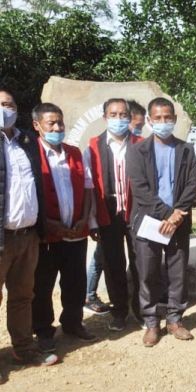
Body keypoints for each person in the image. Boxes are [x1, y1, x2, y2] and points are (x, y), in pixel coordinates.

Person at [127, 97, 196, 347]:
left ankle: (175, 320)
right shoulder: (136, 151)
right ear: (148, 120)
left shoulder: (187, 149)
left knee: (177, 273)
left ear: (174, 119)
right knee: (147, 274)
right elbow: (140, 189)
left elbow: (192, 183)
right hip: (149, 223)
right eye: (157, 118)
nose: (163, 122)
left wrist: (177, 213)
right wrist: (168, 213)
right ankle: (151, 323)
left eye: (168, 117)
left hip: (177, 223)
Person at [30, 102, 98, 354]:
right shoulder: (31, 155)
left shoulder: (74, 153)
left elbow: (88, 187)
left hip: (75, 233)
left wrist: (83, 218)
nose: (58, 127)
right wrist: (49, 224)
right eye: (52, 123)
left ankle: (72, 323)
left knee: (75, 282)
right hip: (47, 235)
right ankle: (44, 331)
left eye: (60, 122)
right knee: (43, 285)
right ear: (37, 126)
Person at [0, 88, 57, 366]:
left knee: (23, 296)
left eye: (8, 104)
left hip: (27, 235)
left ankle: (24, 348)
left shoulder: (26, 141)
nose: (4, 109)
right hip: (1, 237)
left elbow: (38, 186)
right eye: (0, 104)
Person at [86, 98, 144, 330]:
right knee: (112, 265)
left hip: (136, 214)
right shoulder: (93, 146)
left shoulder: (141, 144)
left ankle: (142, 311)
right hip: (107, 214)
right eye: (113, 114)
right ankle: (119, 312)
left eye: (123, 115)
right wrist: (92, 220)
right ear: (105, 117)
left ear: (129, 118)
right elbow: (89, 187)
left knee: (140, 264)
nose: (118, 119)